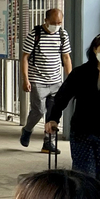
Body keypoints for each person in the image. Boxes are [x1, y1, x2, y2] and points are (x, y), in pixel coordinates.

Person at [45, 33, 100, 199]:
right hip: (82, 133)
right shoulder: (80, 73)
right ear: (95, 50)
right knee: (83, 176)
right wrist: (53, 119)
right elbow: (62, 97)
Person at [20, 8, 72, 154]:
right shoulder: (35, 34)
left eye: (59, 22)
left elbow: (66, 58)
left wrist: (71, 80)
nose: (56, 25)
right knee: (39, 111)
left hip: (56, 81)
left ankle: (49, 143)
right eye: (54, 22)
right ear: (46, 21)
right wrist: (26, 79)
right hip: (37, 80)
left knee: (53, 113)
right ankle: (27, 129)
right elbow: (25, 58)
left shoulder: (62, 34)